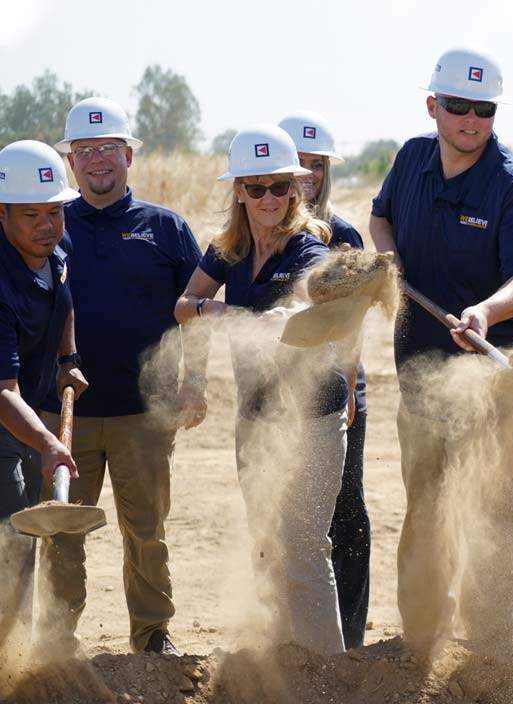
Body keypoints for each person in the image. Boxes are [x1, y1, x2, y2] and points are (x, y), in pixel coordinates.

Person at [368, 48, 513, 650]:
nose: (471, 119)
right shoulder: (411, 158)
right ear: (433, 106)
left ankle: (489, 647)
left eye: (484, 109)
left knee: (488, 508)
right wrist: (389, 260)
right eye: (458, 106)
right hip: (420, 373)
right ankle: (422, 640)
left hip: (492, 383)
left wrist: (486, 312)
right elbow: (380, 218)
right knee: (425, 506)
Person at [35, 97, 205, 657]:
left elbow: (197, 312)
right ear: (70, 162)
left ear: (129, 155)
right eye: (84, 150)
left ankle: (152, 636)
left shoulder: (167, 228)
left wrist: (195, 383)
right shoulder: (50, 226)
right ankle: (57, 643)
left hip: (145, 413)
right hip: (65, 414)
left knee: (146, 531)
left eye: (108, 147)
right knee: (62, 532)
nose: (97, 160)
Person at [174, 125, 348, 653]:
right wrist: (211, 314)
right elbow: (184, 307)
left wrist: (289, 314)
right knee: (268, 545)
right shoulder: (227, 249)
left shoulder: (307, 246)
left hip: (312, 420)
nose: (269, 198)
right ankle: (281, 662)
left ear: (295, 189)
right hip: (254, 419)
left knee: (306, 549)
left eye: (280, 186)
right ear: (239, 192)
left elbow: (313, 294)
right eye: (257, 187)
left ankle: (326, 677)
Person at [280, 111, 369, 649]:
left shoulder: (344, 235)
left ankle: (349, 640)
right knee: (288, 516)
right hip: (279, 399)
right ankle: (290, 637)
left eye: (317, 164)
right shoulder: (261, 234)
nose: (308, 174)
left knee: (345, 509)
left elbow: (353, 323)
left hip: (340, 392)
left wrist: (352, 384)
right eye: (299, 164)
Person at [0, 140, 84, 649]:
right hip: (9, 414)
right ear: (2, 213)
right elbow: (2, 391)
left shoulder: (55, 250)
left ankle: (15, 656)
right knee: (9, 541)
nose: (46, 225)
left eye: (54, 212)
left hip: (25, 417)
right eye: (30, 214)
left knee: (22, 540)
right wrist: (49, 443)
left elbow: (64, 297)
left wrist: (67, 359)